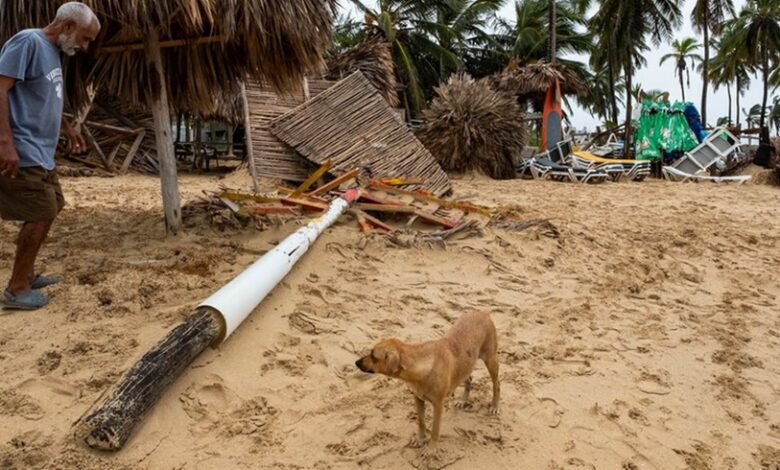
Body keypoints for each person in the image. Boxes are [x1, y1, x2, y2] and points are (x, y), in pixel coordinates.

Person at [0, 2, 101, 310]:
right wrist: (5, 142)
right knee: (41, 212)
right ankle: (17, 289)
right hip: (23, 148)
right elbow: (0, 89)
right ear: (68, 25)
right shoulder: (28, 41)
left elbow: (45, 98)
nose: (85, 46)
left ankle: (27, 275)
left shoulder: (53, 52)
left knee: (53, 205)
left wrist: (67, 128)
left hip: (41, 152)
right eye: (85, 38)